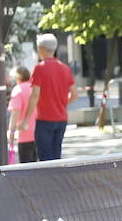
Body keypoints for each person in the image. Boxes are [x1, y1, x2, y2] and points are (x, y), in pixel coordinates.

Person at [25, 33, 76, 162]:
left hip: (44, 119)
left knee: (45, 158)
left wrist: (26, 119)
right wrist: (62, 103)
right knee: (56, 155)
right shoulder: (65, 68)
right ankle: (57, 181)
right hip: (62, 119)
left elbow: (35, 94)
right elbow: (75, 94)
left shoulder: (39, 68)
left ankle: (47, 182)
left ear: (41, 48)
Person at [7, 67, 37, 164]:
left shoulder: (18, 90)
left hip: (24, 133)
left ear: (18, 78)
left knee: (26, 169)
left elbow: (15, 113)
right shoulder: (34, 88)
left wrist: (11, 131)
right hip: (38, 132)